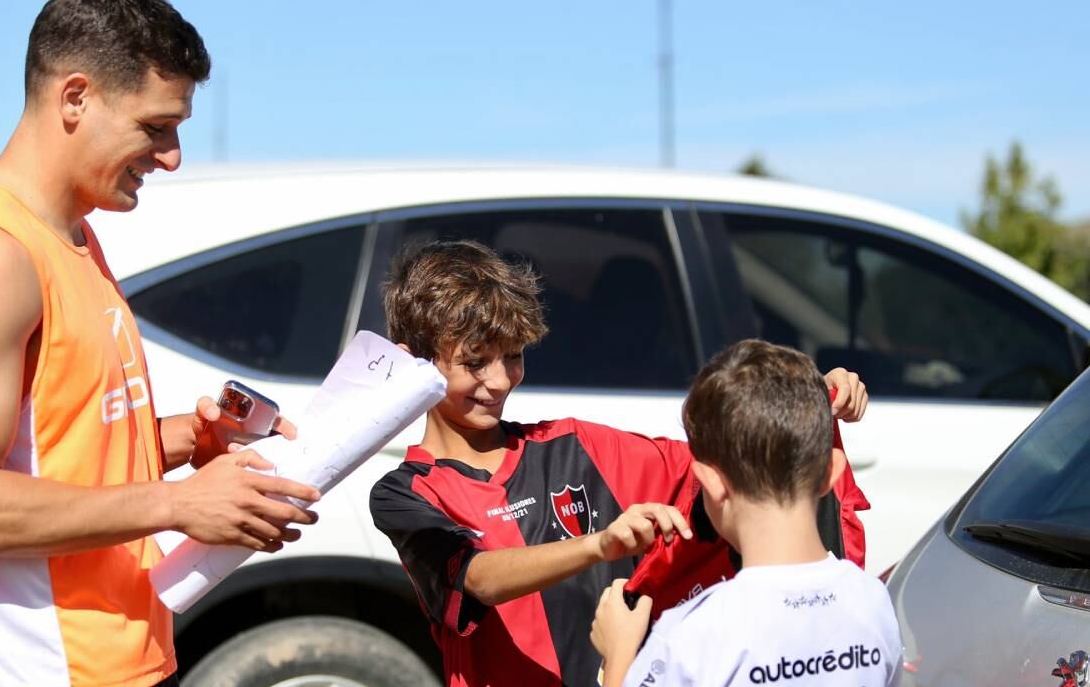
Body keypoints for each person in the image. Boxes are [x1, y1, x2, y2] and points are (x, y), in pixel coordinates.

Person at [0, 0, 320, 687]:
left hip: (123, 663)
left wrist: (192, 441)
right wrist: (180, 504)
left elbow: (63, 452)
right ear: (75, 97)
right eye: (156, 127)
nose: (173, 155)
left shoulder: (75, 237)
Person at [368, 240, 871, 687]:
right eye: (475, 362)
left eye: (514, 356)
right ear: (414, 362)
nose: (500, 381)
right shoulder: (407, 493)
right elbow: (474, 578)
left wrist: (808, 397)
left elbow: (738, 468)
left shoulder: (578, 445)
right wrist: (599, 545)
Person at [591, 339, 901, 687]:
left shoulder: (691, 634)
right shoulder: (874, 603)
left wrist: (618, 656)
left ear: (709, 482)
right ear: (832, 472)